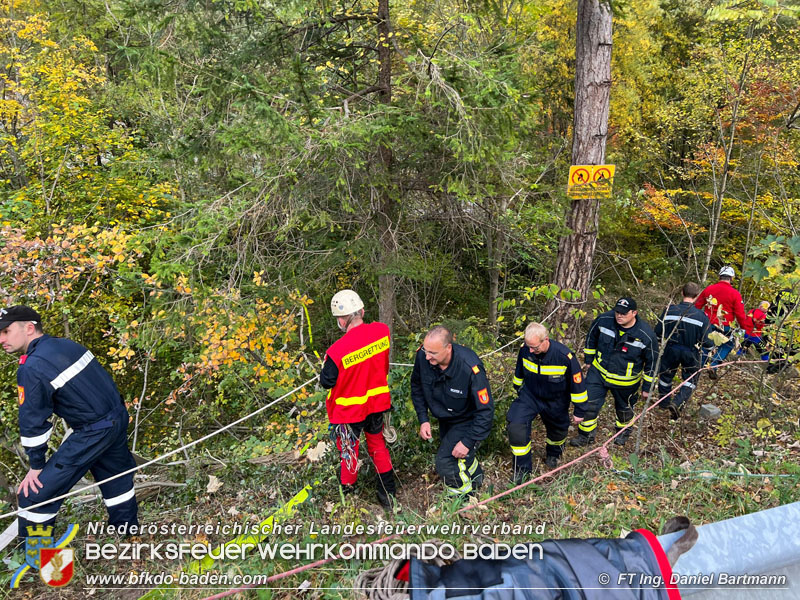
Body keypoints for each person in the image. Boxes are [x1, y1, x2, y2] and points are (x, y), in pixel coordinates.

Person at [0, 305, 138, 535]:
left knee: (34, 495)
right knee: (117, 480)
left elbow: (33, 420)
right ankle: (128, 536)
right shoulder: (66, 345)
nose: (1, 339)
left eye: (6, 331)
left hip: (93, 431)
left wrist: (36, 465)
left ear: (30, 328)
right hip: (116, 418)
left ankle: (37, 560)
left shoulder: (32, 366)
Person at [320, 290, 396, 509]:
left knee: (348, 450)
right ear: (362, 311)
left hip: (348, 412)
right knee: (377, 444)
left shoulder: (336, 351)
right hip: (376, 404)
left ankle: (349, 495)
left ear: (342, 320)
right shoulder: (382, 332)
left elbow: (327, 381)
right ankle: (388, 493)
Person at [411, 326, 494, 497]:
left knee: (445, 462)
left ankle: (462, 500)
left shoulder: (470, 368)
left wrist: (468, 441)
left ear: (448, 348)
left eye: (433, 353)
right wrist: (423, 419)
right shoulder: (423, 357)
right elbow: (417, 387)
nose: (427, 356)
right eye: (426, 351)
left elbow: (485, 411)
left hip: (467, 420)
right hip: (445, 417)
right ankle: (476, 478)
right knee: (458, 455)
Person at [570, 297, 657, 447]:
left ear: (634, 313)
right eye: (617, 312)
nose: (619, 316)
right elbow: (591, 338)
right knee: (589, 404)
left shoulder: (645, 334)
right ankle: (586, 436)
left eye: (624, 313)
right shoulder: (604, 320)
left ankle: (622, 433)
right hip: (599, 373)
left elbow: (652, 362)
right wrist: (589, 360)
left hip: (626, 381)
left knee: (624, 410)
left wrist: (647, 388)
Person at [507, 322, 587, 481]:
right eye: (528, 346)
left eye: (535, 347)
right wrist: (518, 388)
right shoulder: (525, 349)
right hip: (530, 396)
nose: (531, 350)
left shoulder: (564, 356)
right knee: (516, 425)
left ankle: (554, 454)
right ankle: (522, 471)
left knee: (558, 431)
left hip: (555, 399)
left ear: (546, 340)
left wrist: (580, 410)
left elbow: (577, 383)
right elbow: (519, 371)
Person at [655, 283, 713, 419]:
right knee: (691, 378)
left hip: (670, 349)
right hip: (690, 351)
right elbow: (708, 342)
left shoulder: (669, 310)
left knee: (665, 376)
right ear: (697, 296)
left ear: (682, 293)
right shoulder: (701, 316)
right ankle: (678, 402)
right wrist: (711, 350)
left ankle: (663, 402)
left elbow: (657, 333)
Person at [694, 266, 751, 379]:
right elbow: (740, 314)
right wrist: (744, 327)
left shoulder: (709, 289)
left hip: (708, 324)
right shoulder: (735, 293)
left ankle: (697, 370)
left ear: (719, 276)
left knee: (706, 345)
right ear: (731, 278)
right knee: (727, 344)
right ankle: (714, 365)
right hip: (725, 325)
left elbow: (697, 306)